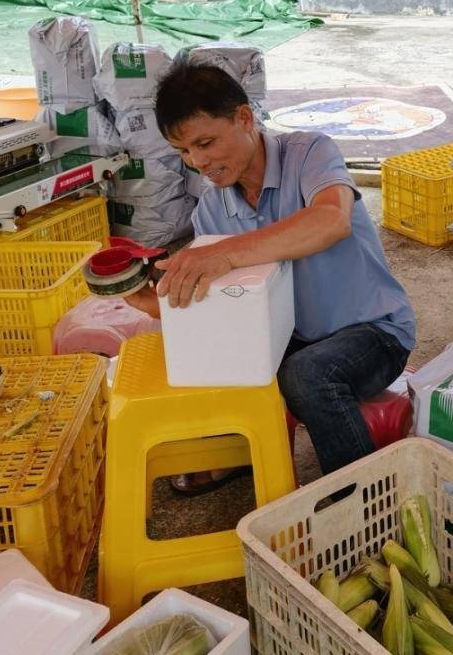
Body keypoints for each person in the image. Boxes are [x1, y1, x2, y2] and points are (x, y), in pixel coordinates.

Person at [125, 61, 416, 491]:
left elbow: (332, 219)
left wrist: (225, 254)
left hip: (373, 334)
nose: (198, 162)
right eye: (184, 152)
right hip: (290, 337)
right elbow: (220, 307)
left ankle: (366, 504)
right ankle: (243, 451)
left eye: (205, 143)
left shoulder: (311, 154)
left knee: (306, 374)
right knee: (215, 353)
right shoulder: (211, 209)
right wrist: (143, 294)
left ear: (244, 118)